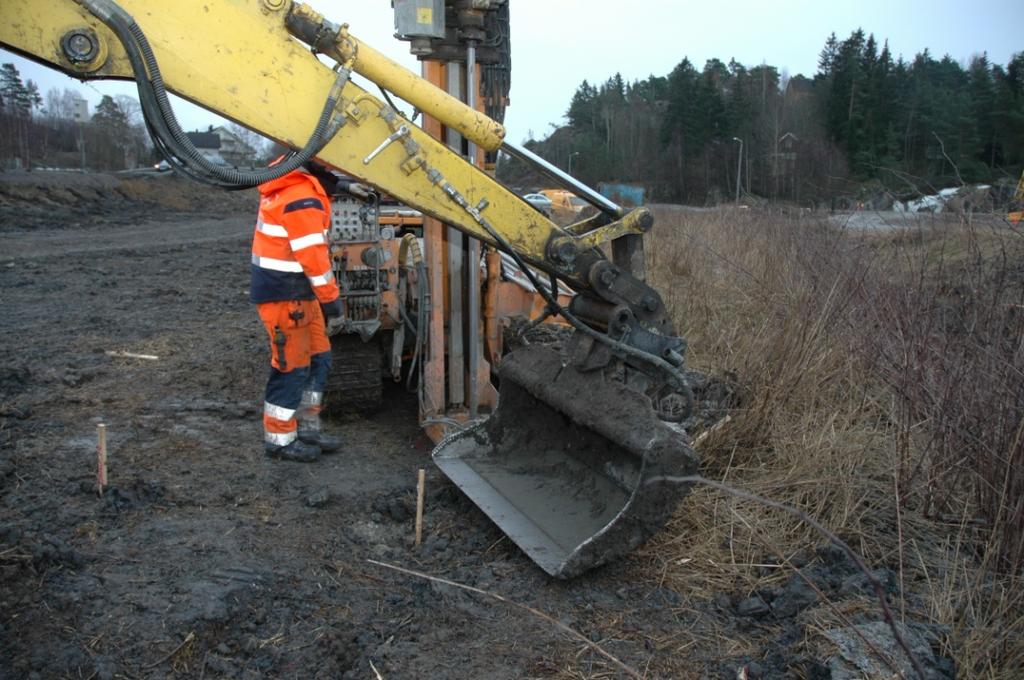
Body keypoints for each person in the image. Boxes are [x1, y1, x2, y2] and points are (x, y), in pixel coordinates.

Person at [251, 160, 345, 462]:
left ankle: (307, 428)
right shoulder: (301, 197)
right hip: (286, 296)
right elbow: (313, 258)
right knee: (291, 366)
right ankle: (280, 439)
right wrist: (332, 300)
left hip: (297, 294)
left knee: (320, 358)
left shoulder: (296, 185)